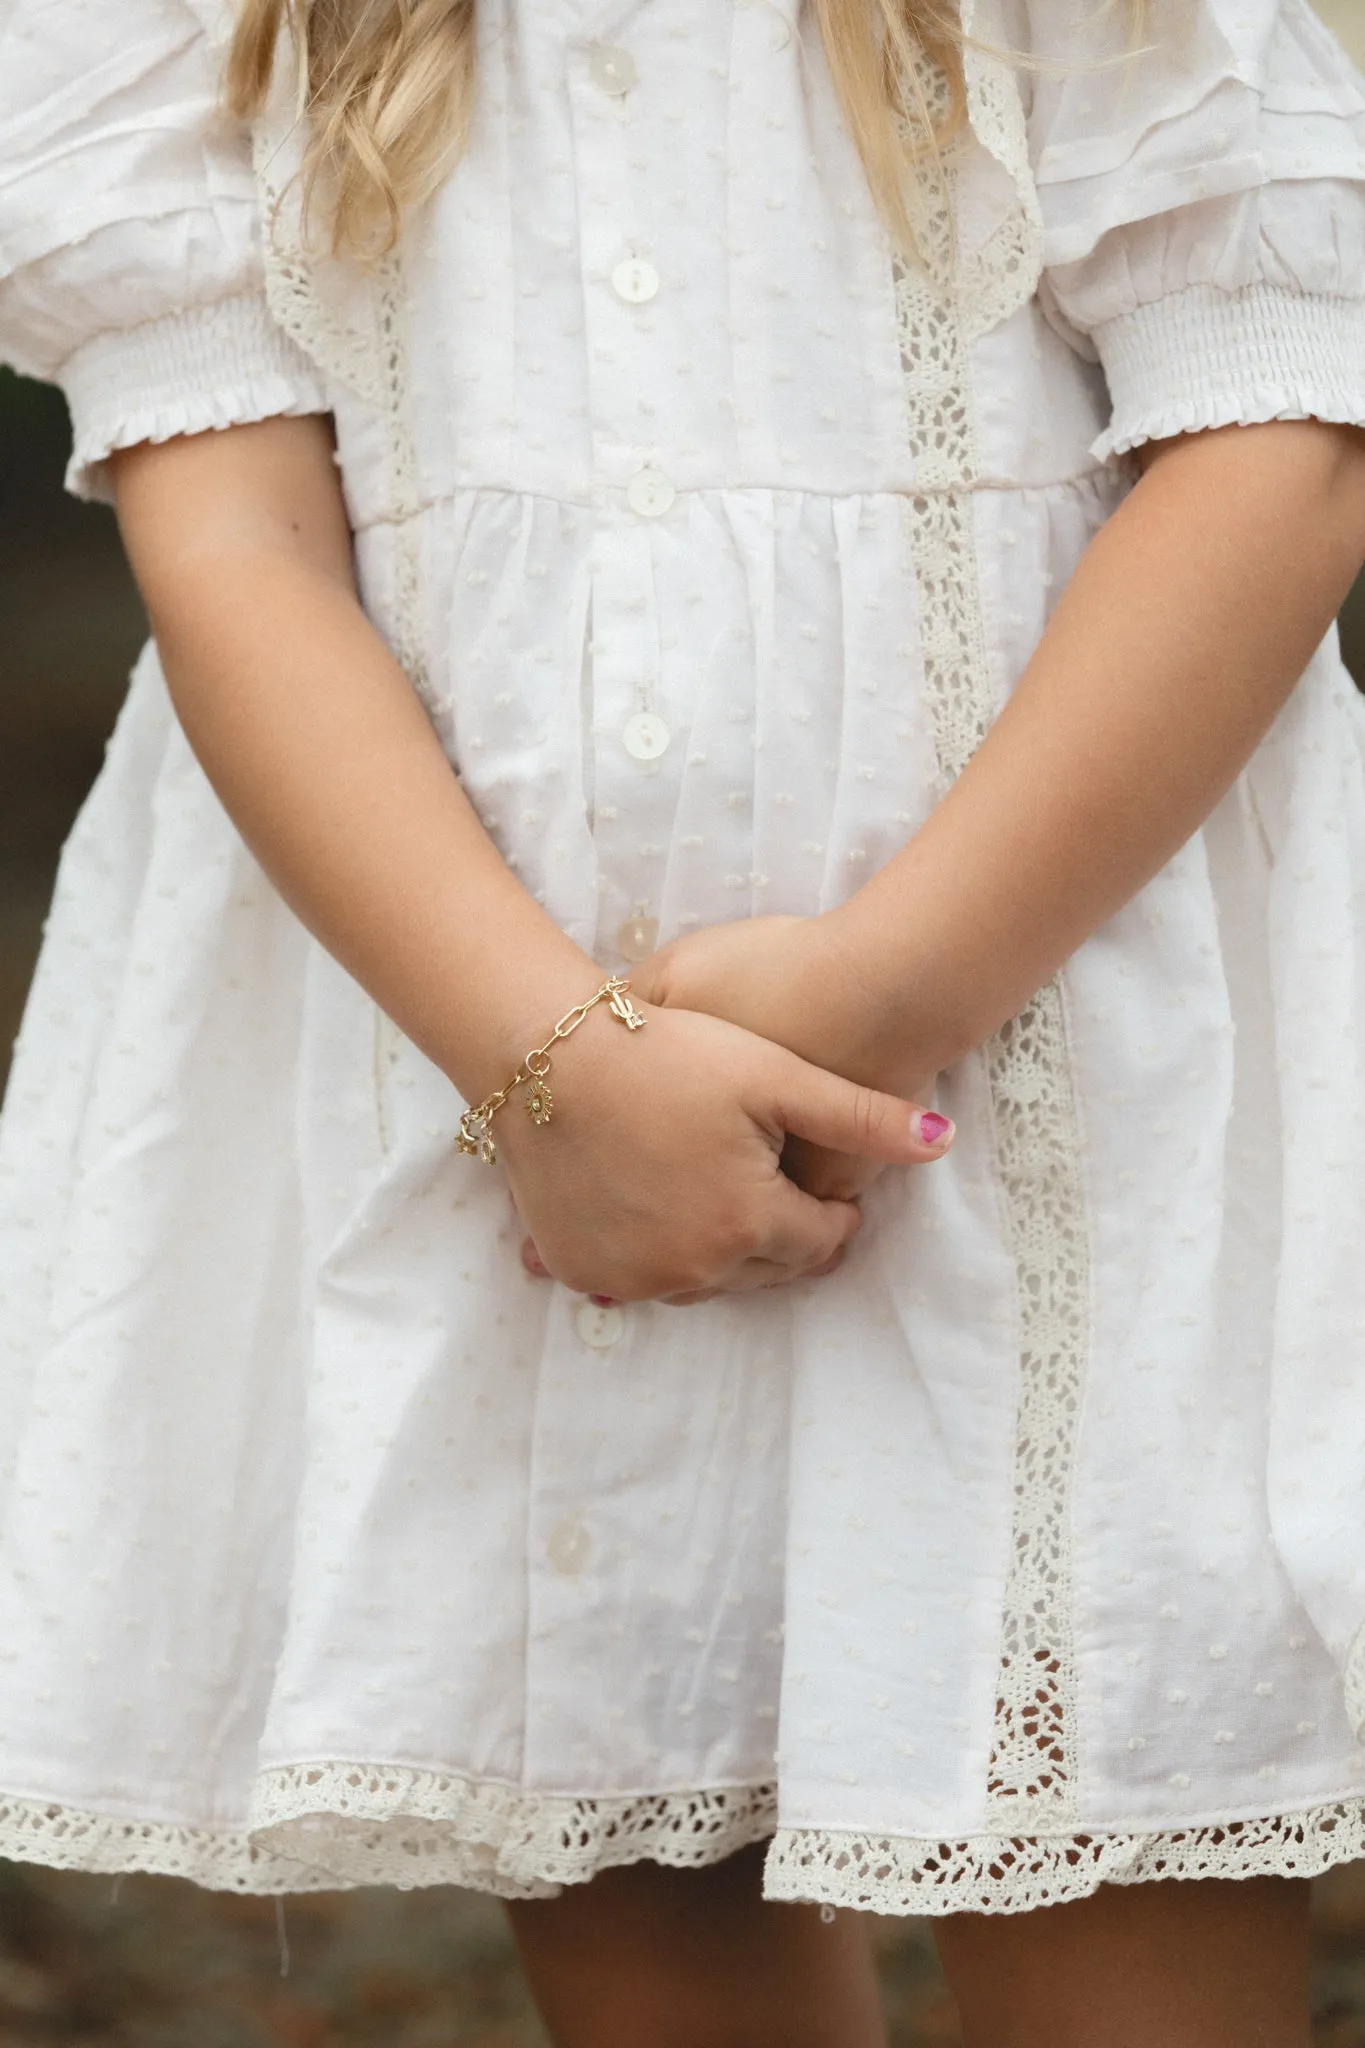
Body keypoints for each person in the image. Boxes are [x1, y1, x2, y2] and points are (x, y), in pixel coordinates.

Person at [2, 0, 1365, 2039]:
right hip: (504, 1026)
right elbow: (238, 541)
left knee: (1088, 1781)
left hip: (1053, 1033)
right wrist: (541, 1057)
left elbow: (1279, 441)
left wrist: (886, 987)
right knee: (643, 1770)